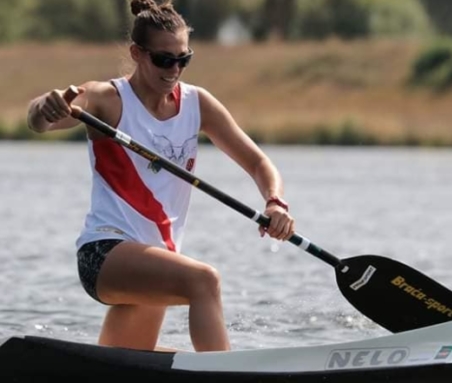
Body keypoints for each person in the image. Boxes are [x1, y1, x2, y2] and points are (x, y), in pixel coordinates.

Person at [26, 0, 295, 352]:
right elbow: (38, 121)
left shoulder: (199, 104)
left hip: (158, 257)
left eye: (183, 59)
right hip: (105, 253)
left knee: (128, 364)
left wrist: (275, 202)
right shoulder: (109, 100)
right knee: (203, 280)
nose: (174, 69)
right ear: (137, 53)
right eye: (164, 60)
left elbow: (259, 163)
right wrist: (47, 105)